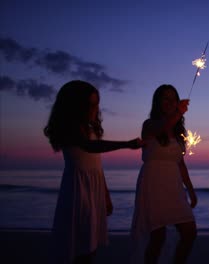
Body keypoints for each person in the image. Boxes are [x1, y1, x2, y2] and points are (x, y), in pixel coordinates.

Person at [44, 80, 143, 264]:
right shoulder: (69, 128)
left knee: (90, 245)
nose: (95, 109)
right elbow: (90, 146)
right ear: (75, 106)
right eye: (90, 105)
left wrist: (105, 194)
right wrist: (126, 144)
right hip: (78, 190)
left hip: (93, 187)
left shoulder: (90, 128)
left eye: (97, 104)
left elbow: (97, 164)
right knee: (80, 246)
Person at [131, 84, 197, 264]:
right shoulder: (149, 125)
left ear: (177, 102)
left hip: (173, 185)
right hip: (153, 183)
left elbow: (180, 162)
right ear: (157, 102)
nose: (169, 102)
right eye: (165, 98)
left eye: (172, 98)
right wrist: (179, 114)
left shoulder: (179, 132)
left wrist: (190, 190)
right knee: (157, 236)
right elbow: (163, 127)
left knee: (189, 232)